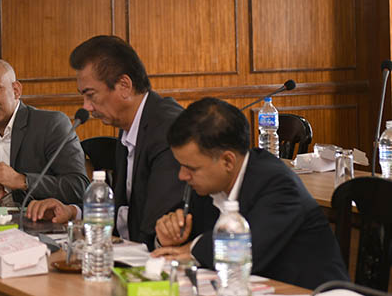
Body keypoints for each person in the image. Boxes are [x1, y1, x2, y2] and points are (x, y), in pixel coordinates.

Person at [152, 97, 349, 290]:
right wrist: (169, 237)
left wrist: (192, 247)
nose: (182, 175)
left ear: (228, 161)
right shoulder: (206, 183)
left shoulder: (279, 185)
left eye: (190, 168)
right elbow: (184, 248)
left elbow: (243, 251)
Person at [26, 35, 186, 249]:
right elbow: (124, 210)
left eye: (91, 95)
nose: (86, 106)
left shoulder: (168, 129)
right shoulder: (130, 126)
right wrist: (74, 212)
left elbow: (153, 224)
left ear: (124, 86)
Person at [0, 58, 88, 205]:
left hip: (43, 218)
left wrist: (22, 180)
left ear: (16, 91)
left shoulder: (51, 124)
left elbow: (79, 187)